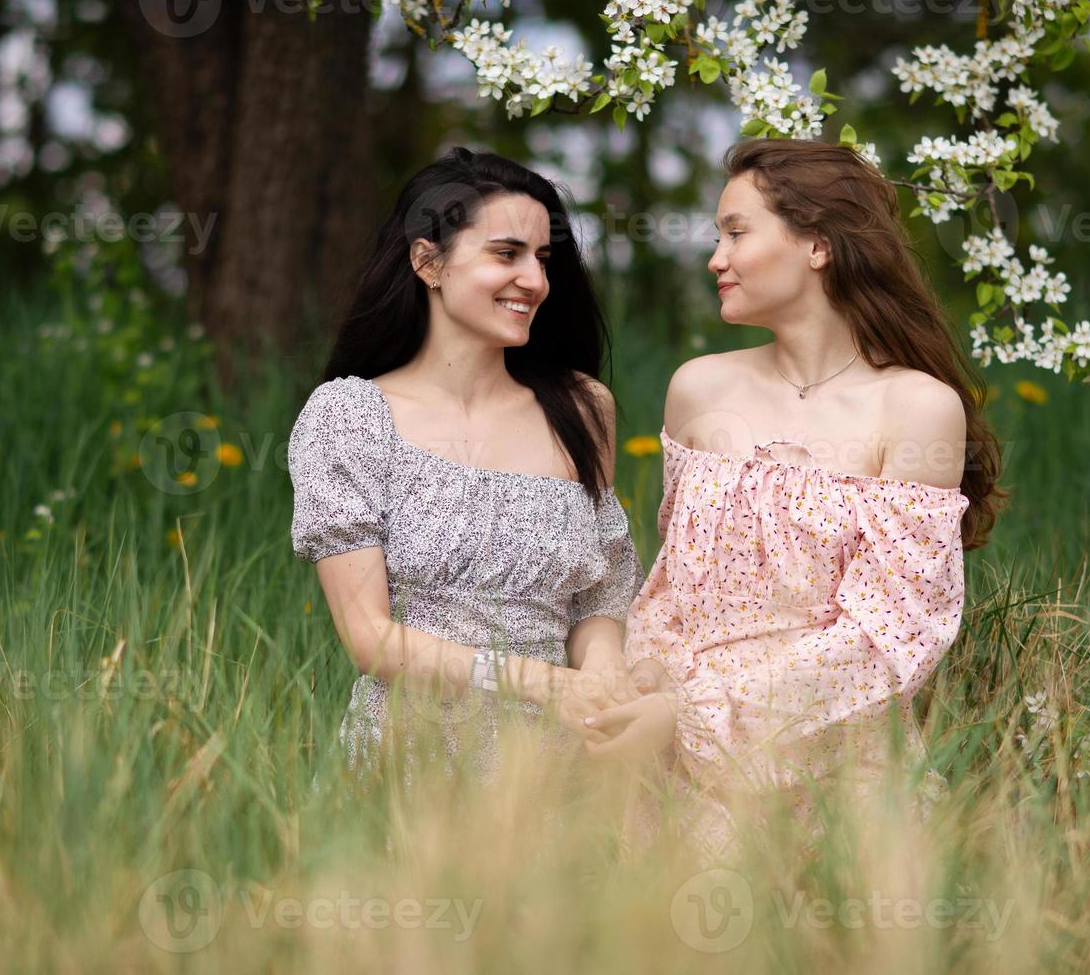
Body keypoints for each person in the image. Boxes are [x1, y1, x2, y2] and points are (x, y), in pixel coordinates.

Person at [583, 137, 1008, 858]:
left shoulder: (915, 408)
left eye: (736, 233)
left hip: (831, 761)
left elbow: (889, 634)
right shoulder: (698, 388)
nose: (715, 259)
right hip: (668, 757)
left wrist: (694, 717)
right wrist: (641, 707)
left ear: (816, 245)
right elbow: (671, 590)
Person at [289, 147, 643, 787]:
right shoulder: (350, 416)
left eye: (544, 259)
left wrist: (604, 673)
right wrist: (539, 683)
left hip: (564, 760)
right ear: (428, 262)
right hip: (416, 755)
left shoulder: (582, 408)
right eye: (506, 255)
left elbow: (599, 597)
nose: (534, 280)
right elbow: (370, 638)